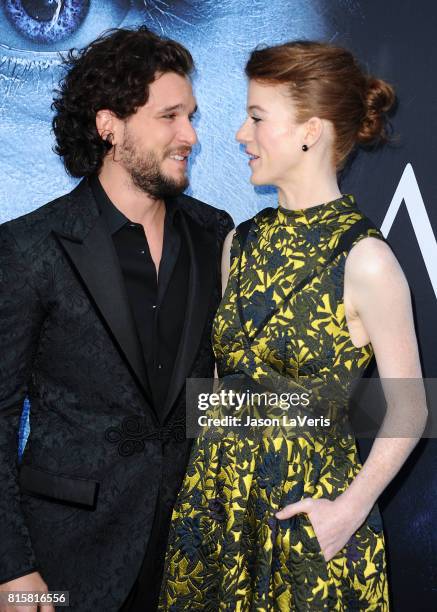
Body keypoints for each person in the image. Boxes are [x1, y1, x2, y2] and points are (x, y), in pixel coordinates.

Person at [158, 41, 427, 610]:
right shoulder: (241, 243)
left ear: (310, 130)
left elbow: (410, 407)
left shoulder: (365, 258)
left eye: (257, 118)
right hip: (217, 517)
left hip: (308, 525)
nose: (239, 134)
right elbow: (220, 383)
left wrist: (347, 512)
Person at [0, 26, 233, 612]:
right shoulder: (30, 247)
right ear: (110, 125)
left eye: (192, 115)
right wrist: (13, 573)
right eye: (170, 116)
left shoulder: (216, 235)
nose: (191, 135)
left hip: (190, 559)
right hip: (64, 561)